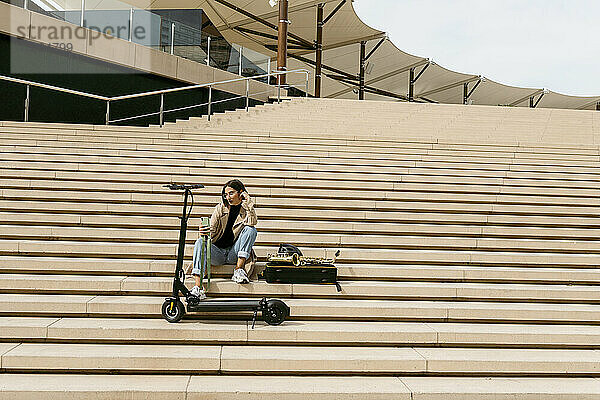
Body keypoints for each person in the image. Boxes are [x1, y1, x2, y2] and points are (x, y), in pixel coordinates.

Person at [190, 179, 257, 299]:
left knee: (251, 230)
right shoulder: (220, 209)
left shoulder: (245, 209)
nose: (228, 197)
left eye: (231, 193)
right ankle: (198, 288)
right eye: (225, 195)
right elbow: (211, 230)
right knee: (200, 242)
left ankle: (238, 270)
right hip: (217, 253)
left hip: (233, 253)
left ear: (241, 192)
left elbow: (252, 223)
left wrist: (249, 204)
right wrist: (204, 230)